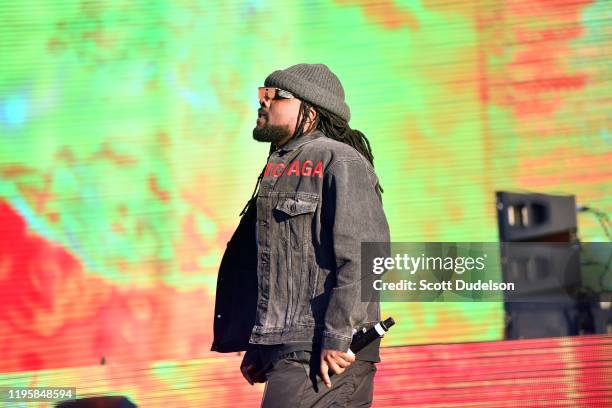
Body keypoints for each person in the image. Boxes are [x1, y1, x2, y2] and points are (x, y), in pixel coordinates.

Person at [211, 63, 390, 407]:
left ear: (310, 109)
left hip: (324, 352)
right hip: (293, 350)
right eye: (262, 93)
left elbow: (370, 254)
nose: (263, 102)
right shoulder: (280, 166)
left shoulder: (339, 160)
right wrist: (261, 345)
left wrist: (337, 336)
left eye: (275, 95)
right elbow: (273, 265)